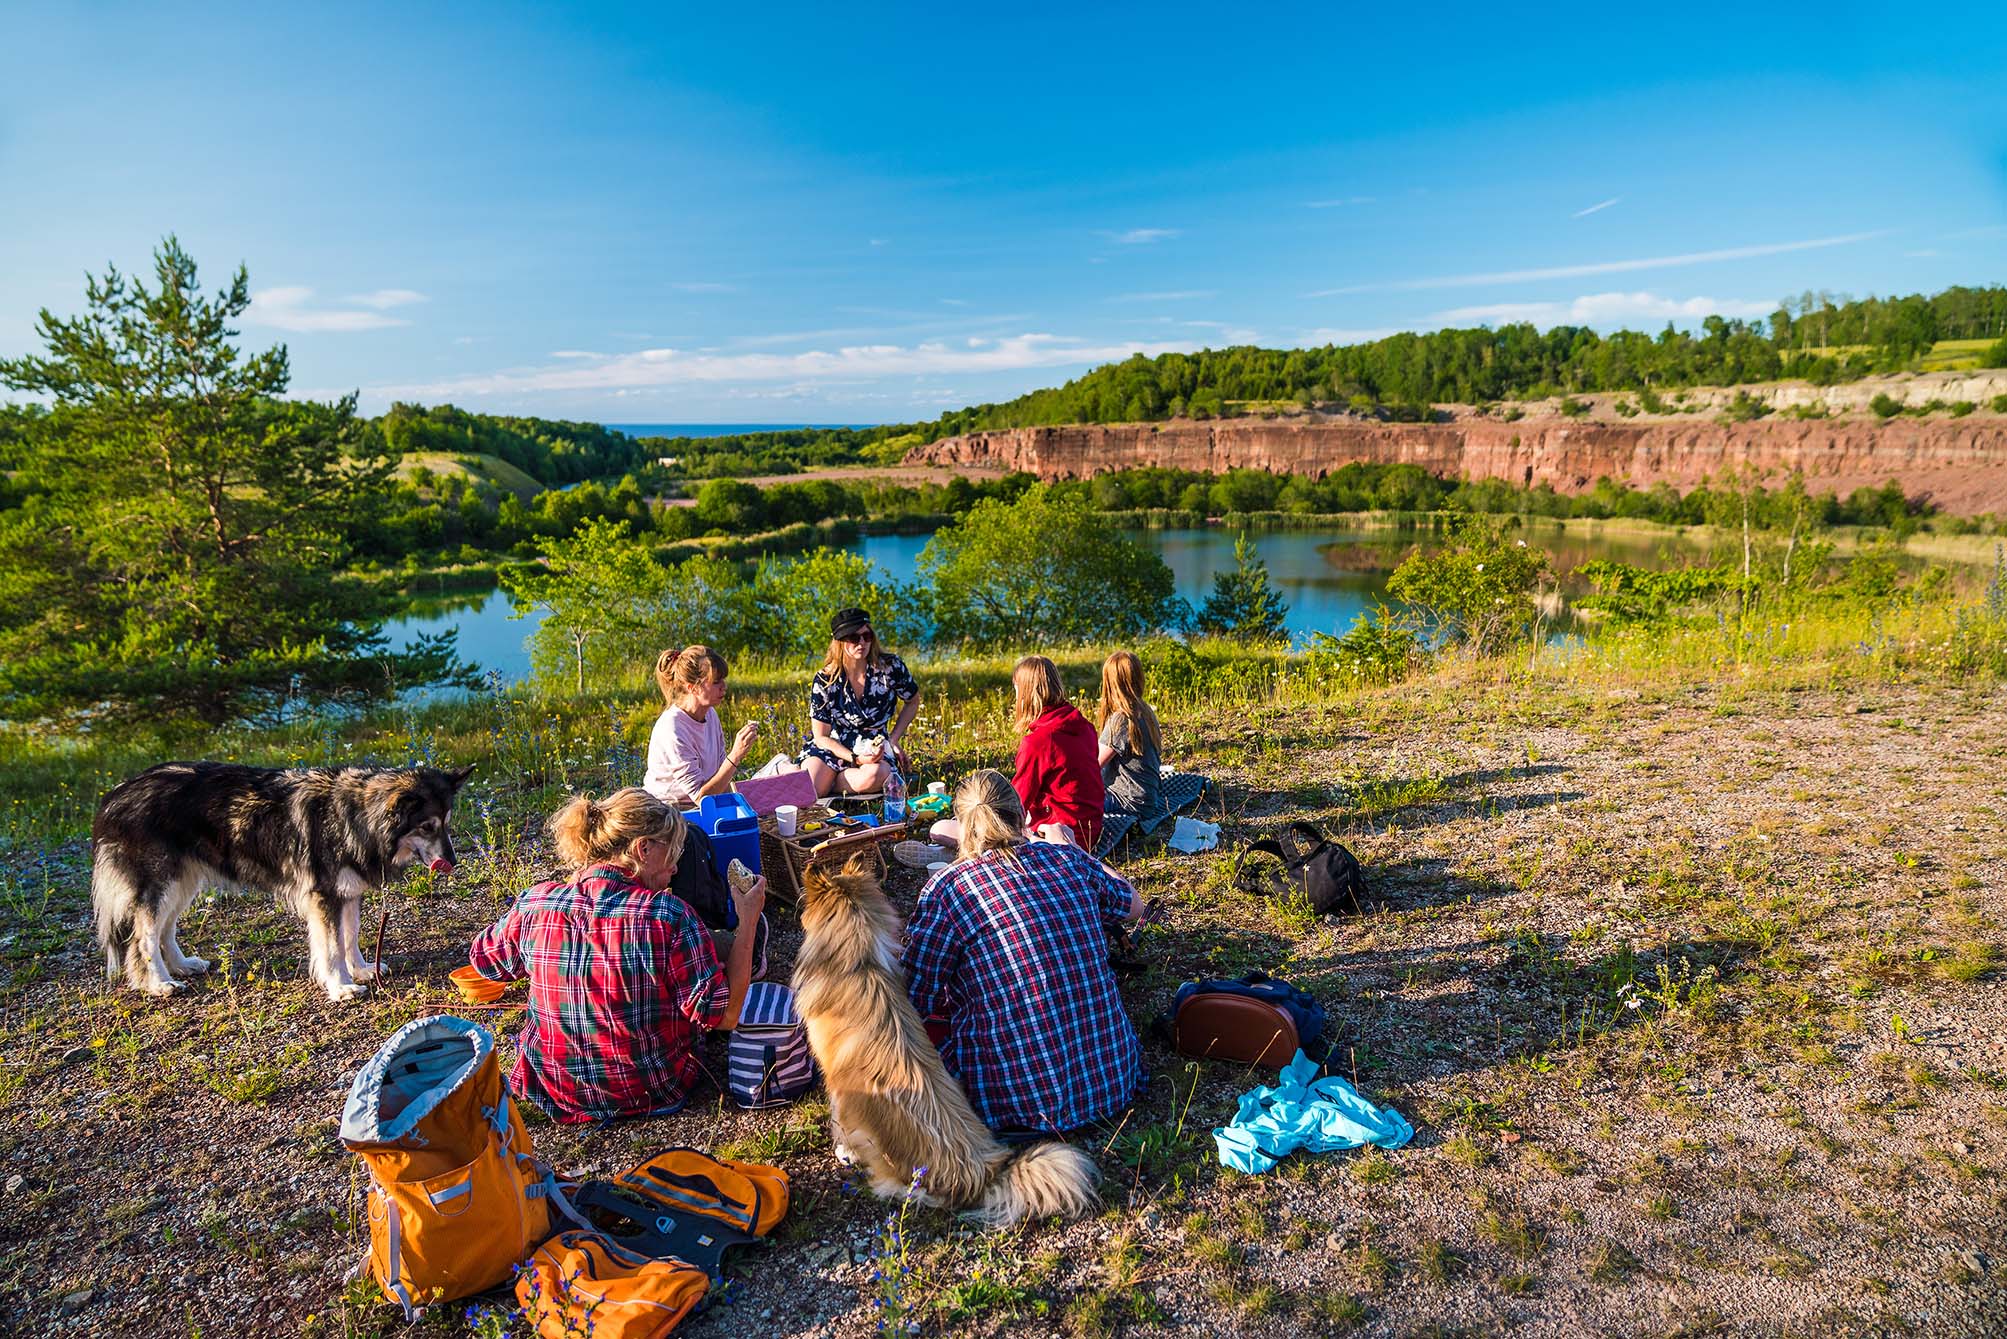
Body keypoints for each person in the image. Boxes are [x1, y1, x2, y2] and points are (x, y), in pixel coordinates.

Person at [467, 788, 767, 1124]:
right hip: (653, 1089)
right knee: (714, 954)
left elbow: (484, 960)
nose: (676, 867)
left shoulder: (536, 903)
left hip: (554, 1089)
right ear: (643, 848)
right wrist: (749, 919)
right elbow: (725, 1016)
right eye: (675, 852)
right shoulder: (668, 915)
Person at [904, 770, 1143, 1136]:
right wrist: (1072, 847)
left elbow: (915, 996)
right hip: (1113, 1083)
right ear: (1022, 816)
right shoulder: (1067, 861)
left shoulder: (948, 889)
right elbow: (1134, 905)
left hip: (1016, 1104)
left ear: (963, 827)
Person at [801, 608, 921, 798]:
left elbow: (913, 700)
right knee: (812, 787)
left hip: (874, 746)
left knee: (875, 775)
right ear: (839, 641)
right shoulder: (825, 679)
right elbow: (821, 737)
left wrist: (893, 740)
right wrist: (855, 759)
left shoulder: (890, 667)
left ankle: (830, 781)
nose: (862, 643)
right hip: (835, 745)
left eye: (867, 635)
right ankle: (820, 778)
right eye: (854, 638)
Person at [644, 644, 760, 809]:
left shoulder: (710, 714)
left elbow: (721, 776)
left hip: (701, 804)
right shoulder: (673, 728)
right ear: (692, 688)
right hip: (670, 811)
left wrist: (738, 807)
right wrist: (736, 756)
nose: (724, 686)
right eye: (716, 682)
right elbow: (701, 799)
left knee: (782, 766)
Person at [1010, 655, 1104, 852]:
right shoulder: (1084, 726)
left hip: (1060, 837)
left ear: (1026, 694)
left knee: (943, 829)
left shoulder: (1038, 742)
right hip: (1091, 828)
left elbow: (1016, 803)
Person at [1096, 650, 1164, 825]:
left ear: (1110, 683)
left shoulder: (1121, 719)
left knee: (1068, 807)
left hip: (1126, 802)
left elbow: (1093, 766)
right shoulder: (1145, 710)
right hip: (1148, 799)